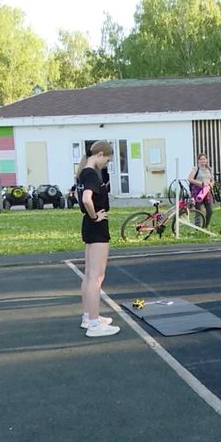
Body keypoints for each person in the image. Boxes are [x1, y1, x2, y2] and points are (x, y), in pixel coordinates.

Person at [77, 141, 120, 338]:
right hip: (96, 226)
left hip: (90, 226)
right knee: (96, 277)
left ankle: (88, 317)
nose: (106, 163)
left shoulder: (84, 172)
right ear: (100, 154)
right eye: (107, 160)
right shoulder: (91, 173)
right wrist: (95, 216)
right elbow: (87, 199)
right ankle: (94, 324)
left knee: (89, 275)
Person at [187, 153, 214, 228]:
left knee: (210, 210)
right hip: (197, 192)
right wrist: (200, 183)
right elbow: (189, 179)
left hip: (207, 192)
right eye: (201, 159)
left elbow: (212, 180)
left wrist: (211, 184)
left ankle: (206, 226)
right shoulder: (196, 169)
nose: (203, 161)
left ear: (207, 160)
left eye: (204, 159)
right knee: (198, 211)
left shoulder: (209, 169)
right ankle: (198, 228)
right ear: (198, 161)